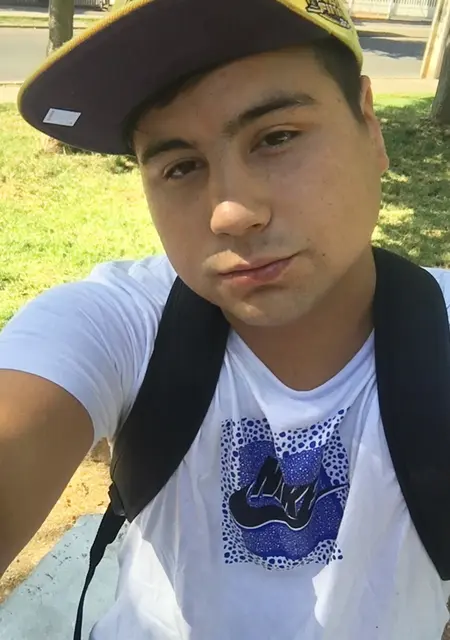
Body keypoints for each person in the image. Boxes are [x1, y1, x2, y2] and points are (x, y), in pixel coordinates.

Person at [1, 0, 449, 638]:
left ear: (369, 127)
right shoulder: (122, 324)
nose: (231, 214)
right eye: (180, 166)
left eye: (276, 137)